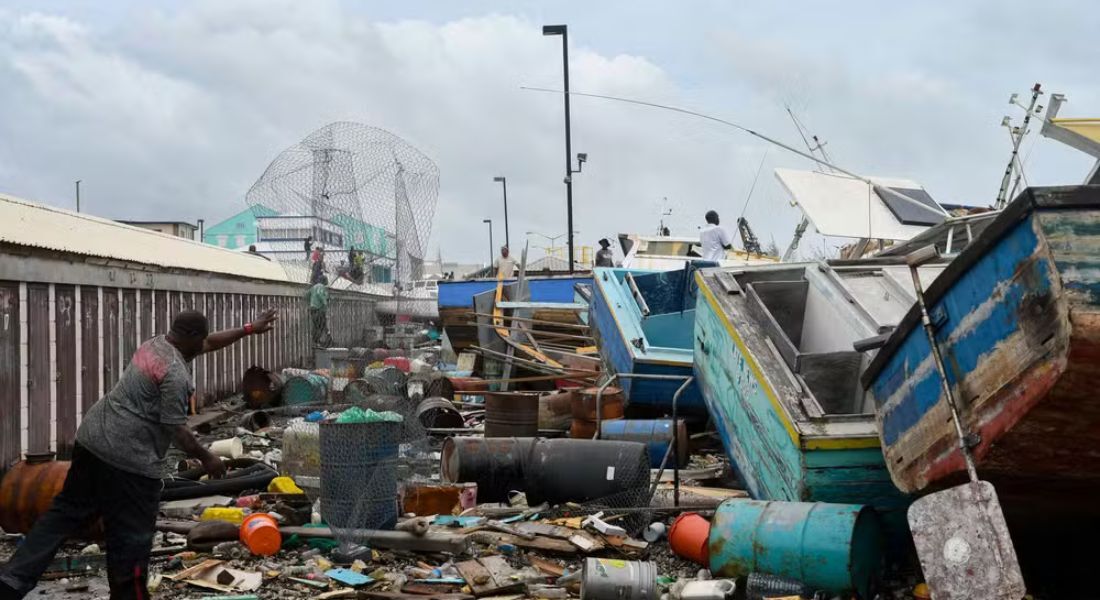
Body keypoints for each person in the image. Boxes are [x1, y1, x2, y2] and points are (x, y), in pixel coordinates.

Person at [0, 308, 277, 600]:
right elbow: (175, 429)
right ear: (192, 337)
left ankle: (12, 580)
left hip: (92, 441)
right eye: (202, 338)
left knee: (62, 514)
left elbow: (210, 342)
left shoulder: (156, 344)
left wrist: (248, 329)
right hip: (127, 461)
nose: (205, 343)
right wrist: (208, 457)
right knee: (131, 538)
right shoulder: (174, 374)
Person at [309, 275, 330, 346]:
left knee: (316, 326)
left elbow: (307, 295)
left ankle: (315, 341)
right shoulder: (321, 286)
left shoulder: (313, 287)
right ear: (324, 280)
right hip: (319, 310)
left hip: (313, 310)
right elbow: (319, 294)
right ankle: (317, 341)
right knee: (321, 326)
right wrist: (325, 303)